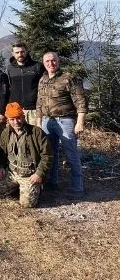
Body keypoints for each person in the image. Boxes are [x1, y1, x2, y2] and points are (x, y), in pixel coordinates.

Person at [37, 52, 86, 196]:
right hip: (47, 121)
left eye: (53, 60)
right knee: (50, 153)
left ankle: (78, 188)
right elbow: (39, 102)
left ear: (58, 61)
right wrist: (38, 121)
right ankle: (53, 182)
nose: (51, 63)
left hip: (66, 121)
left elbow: (80, 100)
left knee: (71, 154)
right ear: (43, 63)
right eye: (47, 61)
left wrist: (80, 122)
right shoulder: (43, 79)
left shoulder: (68, 77)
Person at [0, 102, 52, 207]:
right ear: (8, 120)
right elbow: (2, 153)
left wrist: (39, 174)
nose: (16, 122)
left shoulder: (37, 133)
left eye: (18, 118)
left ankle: (35, 187)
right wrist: (1, 167)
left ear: (23, 117)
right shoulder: (5, 133)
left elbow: (47, 155)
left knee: (27, 204)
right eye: (12, 119)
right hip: (12, 172)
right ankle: (19, 188)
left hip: (29, 175)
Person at [6, 42, 44, 126]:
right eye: (17, 52)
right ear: (13, 53)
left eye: (22, 52)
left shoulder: (37, 66)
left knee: (35, 135)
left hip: (33, 110)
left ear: (26, 51)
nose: (20, 54)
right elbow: (9, 87)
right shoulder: (10, 69)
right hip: (16, 110)